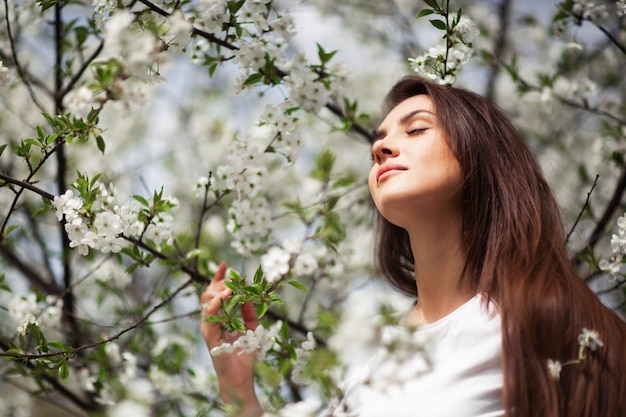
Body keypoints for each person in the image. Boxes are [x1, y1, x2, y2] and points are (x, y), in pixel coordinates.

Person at [200, 76, 626, 417]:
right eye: (376, 147)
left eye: (417, 128)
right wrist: (238, 392)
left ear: (482, 154)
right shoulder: (366, 368)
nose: (380, 147)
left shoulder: (544, 323)